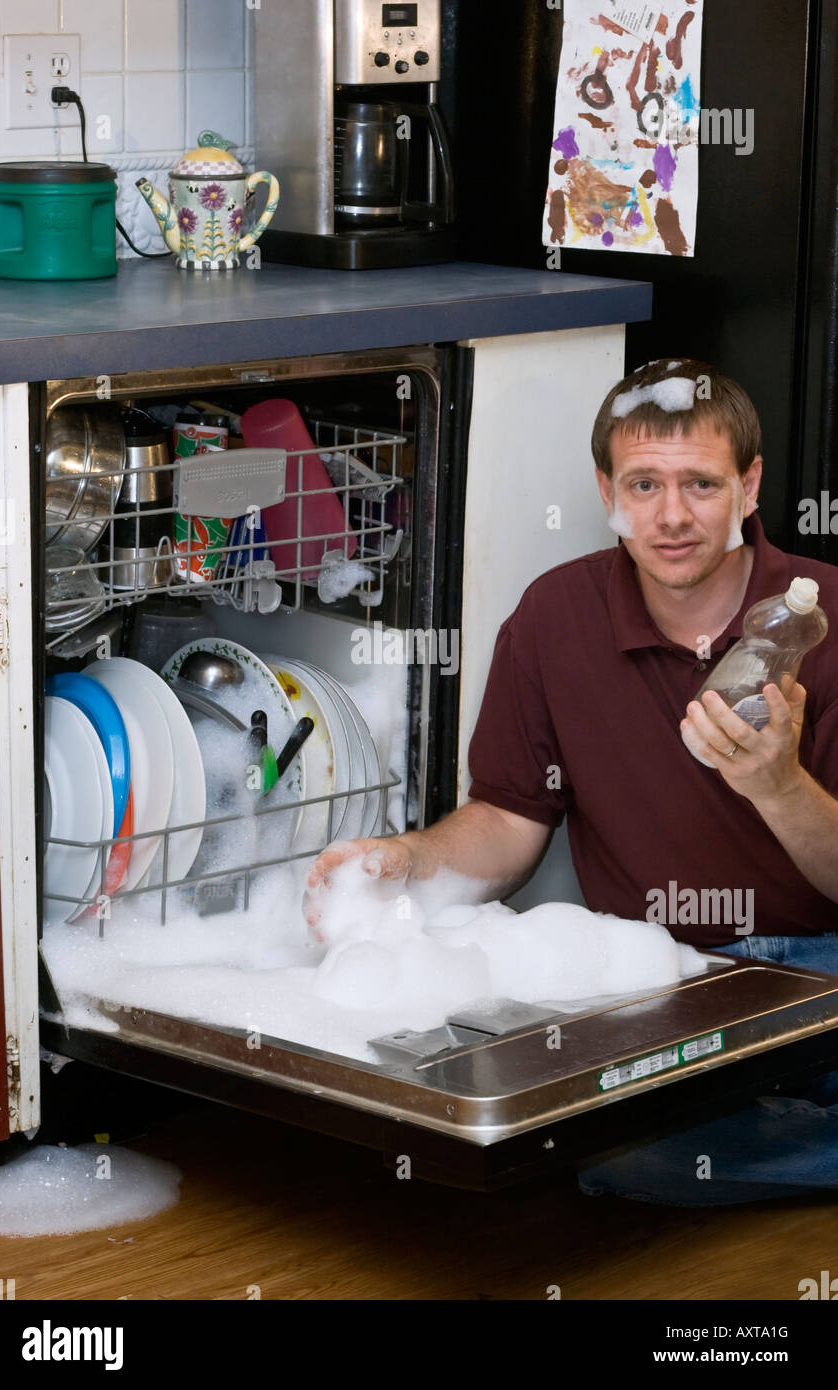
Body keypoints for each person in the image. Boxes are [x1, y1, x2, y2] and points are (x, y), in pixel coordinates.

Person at [304, 358, 838, 1205]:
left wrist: (779, 787)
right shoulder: (555, 617)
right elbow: (511, 818)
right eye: (643, 485)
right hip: (661, 971)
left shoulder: (825, 619)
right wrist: (409, 858)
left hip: (824, 969)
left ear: (749, 487)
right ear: (605, 491)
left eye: (701, 483)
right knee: (611, 1152)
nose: (670, 517)